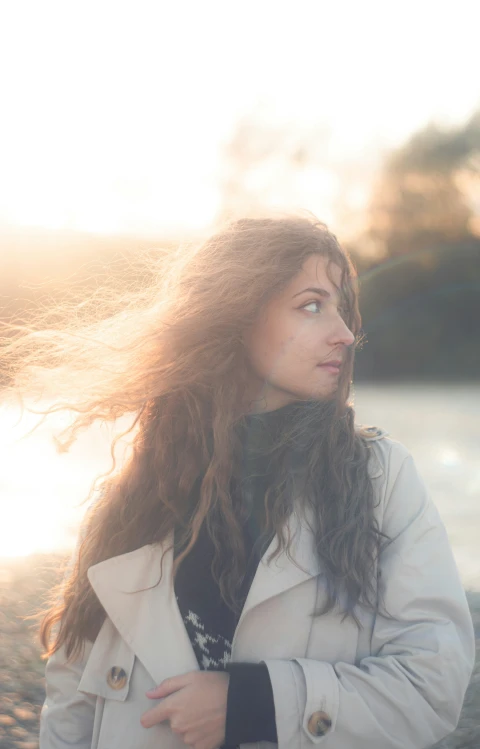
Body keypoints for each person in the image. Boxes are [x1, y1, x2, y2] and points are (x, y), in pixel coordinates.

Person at [6, 215, 474, 748]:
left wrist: (256, 704)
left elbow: (434, 682)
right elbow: (72, 696)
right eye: (312, 305)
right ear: (237, 315)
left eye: (343, 307)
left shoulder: (379, 476)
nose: (345, 333)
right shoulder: (139, 490)